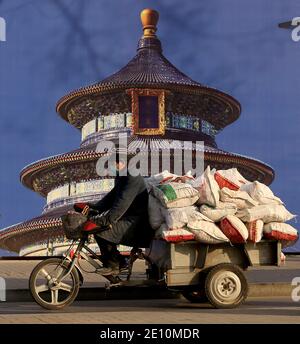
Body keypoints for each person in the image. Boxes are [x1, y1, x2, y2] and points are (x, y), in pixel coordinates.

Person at [83, 148, 153, 275]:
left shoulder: (132, 177)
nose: (110, 167)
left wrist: (103, 221)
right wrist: (94, 208)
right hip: (128, 218)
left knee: (101, 231)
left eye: (112, 164)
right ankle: (120, 261)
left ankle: (114, 265)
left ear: (121, 163)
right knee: (100, 228)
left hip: (137, 222)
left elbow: (121, 205)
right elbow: (110, 199)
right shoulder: (121, 177)